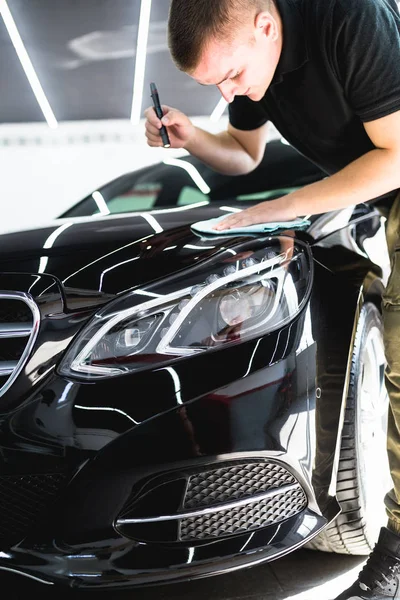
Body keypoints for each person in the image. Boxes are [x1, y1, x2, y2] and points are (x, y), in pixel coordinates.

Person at [144, 0, 400, 597]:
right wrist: (193, 137)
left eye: (230, 75)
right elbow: (244, 152)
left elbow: (397, 154)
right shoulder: (251, 61)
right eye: (215, 85)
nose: (232, 90)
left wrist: (282, 207)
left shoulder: (348, 18)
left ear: (265, 23)